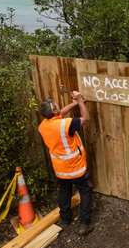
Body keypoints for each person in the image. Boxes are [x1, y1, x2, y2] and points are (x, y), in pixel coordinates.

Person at [38, 91, 93, 235]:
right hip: (75, 168)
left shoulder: (43, 125)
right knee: (85, 192)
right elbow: (86, 118)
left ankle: (65, 219)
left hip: (60, 170)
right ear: (54, 111)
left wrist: (74, 103)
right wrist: (80, 101)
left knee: (64, 193)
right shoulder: (65, 124)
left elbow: (60, 112)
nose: (59, 106)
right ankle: (84, 224)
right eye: (56, 105)